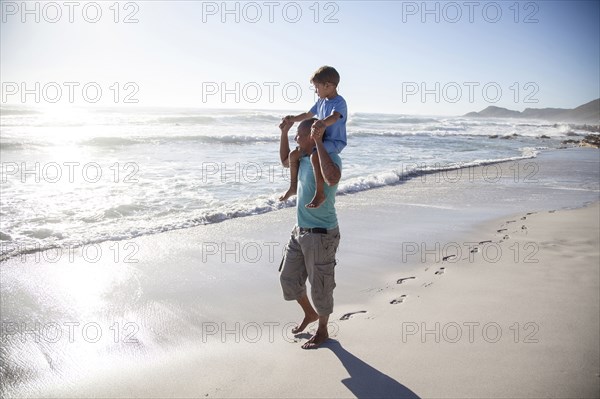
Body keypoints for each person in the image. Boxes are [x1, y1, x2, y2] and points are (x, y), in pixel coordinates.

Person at [278, 117, 342, 349]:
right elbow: (286, 161)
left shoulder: (329, 158)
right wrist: (284, 132)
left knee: (320, 287)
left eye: (298, 135)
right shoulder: (302, 158)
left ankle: (323, 329)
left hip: (322, 233)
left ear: (311, 136)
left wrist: (319, 144)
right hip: (300, 231)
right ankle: (310, 314)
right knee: (288, 279)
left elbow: (333, 178)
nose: (296, 138)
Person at [278, 66, 347, 209]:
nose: (316, 91)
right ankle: (292, 187)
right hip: (321, 139)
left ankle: (320, 193)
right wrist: (292, 119)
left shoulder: (339, 102)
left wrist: (322, 123)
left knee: (314, 156)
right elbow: (307, 115)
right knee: (293, 154)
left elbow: (334, 117)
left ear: (328, 86)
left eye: (317, 87)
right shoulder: (321, 101)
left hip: (334, 141)